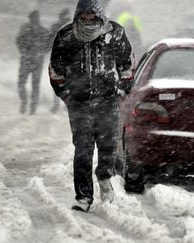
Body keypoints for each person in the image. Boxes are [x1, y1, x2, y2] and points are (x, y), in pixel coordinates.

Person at [49, 0, 133, 212]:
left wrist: (120, 92)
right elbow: (55, 71)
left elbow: (127, 65)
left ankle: (105, 178)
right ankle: (83, 197)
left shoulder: (115, 34)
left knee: (108, 148)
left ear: (99, 16)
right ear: (77, 16)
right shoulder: (66, 36)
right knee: (83, 151)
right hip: (79, 103)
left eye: (91, 17)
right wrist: (67, 95)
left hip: (108, 101)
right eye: (83, 17)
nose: (87, 21)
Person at [16, 10, 49, 115]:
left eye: (34, 18)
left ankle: (28, 104)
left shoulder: (30, 29)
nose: (33, 20)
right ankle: (28, 104)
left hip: (30, 61)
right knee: (30, 84)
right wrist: (40, 52)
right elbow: (18, 41)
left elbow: (18, 41)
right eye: (32, 18)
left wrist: (25, 51)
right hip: (33, 61)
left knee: (25, 83)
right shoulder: (40, 30)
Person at [49, 9, 71, 114]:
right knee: (67, 82)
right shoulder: (72, 27)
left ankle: (58, 104)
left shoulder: (56, 27)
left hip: (59, 59)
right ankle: (65, 104)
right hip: (68, 59)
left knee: (58, 81)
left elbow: (49, 41)